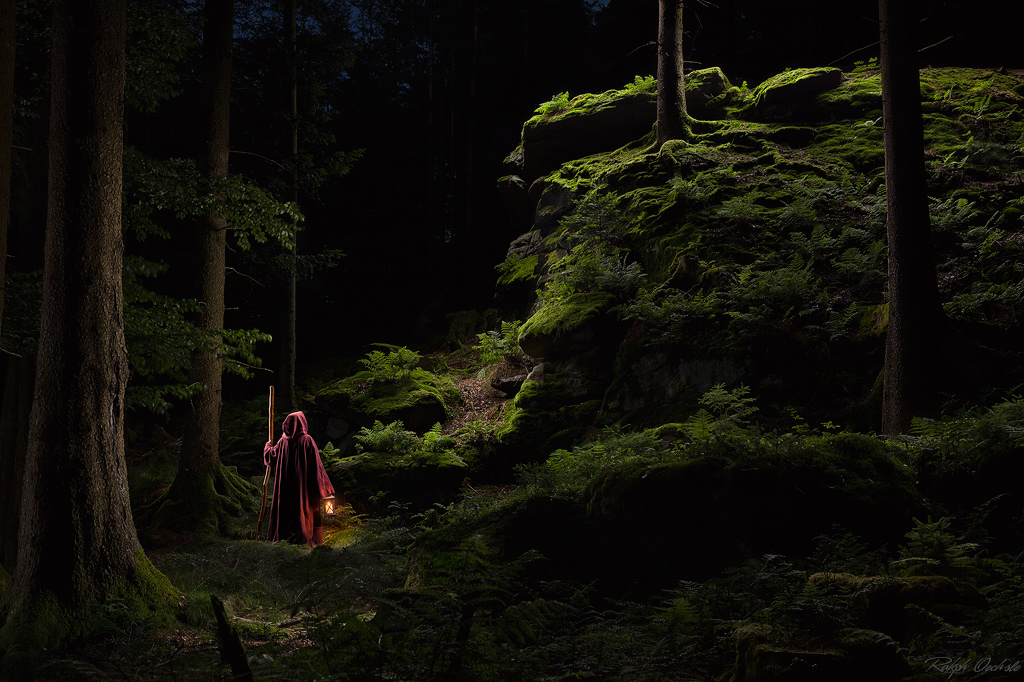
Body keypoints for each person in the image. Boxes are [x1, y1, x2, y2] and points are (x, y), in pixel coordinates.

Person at [263, 411, 335, 546]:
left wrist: (268, 447)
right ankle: (303, 539)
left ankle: (285, 540)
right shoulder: (306, 440)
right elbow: (316, 466)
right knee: (303, 510)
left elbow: (271, 456)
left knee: (286, 510)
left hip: (285, 488)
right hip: (303, 487)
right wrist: (324, 487)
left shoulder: (282, 441)